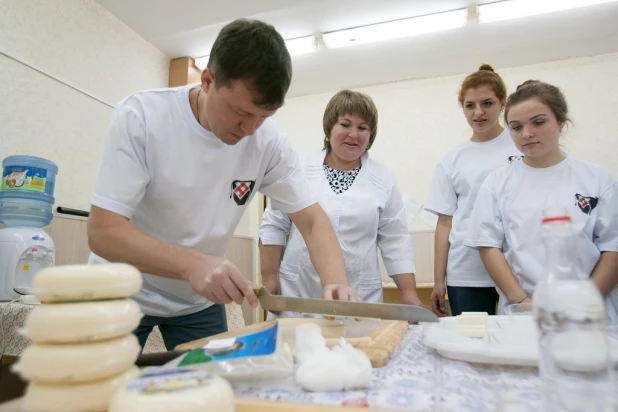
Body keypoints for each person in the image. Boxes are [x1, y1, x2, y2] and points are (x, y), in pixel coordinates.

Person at [86, 19, 361, 350]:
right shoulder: (142, 117)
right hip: (119, 287)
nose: (250, 129)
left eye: (264, 116)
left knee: (209, 391)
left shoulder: (268, 142)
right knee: (101, 395)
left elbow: (313, 220)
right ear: (207, 80)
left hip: (196, 302)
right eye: (240, 112)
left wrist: (336, 284)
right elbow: (104, 232)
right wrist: (193, 264)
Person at [465, 80, 618, 322]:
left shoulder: (597, 179)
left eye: (538, 122)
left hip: (592, 313)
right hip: (525, 313)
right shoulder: (496, 183)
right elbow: (488, 246)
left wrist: (584, 304)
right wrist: (523, 303)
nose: (527, 134)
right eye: (516, 127)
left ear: (561, 122)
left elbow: (613, 247)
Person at [259, 90, 421, 317]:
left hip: (359, 295)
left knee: (359, 350)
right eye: (345, 124)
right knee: (295, 349)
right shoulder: (299, 169)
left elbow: (395, 239)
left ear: (371, 134)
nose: (353, 134)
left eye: (363, 128)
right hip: (298, 292)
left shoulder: (383, 180)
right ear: (329, 128)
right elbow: (274, 224)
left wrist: (409, 291)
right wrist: (269, 277)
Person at [425, 64, 522, 317]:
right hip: (467, 272)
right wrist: (439, 281)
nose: (478, 112)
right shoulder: (452, 160)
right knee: (472, 347)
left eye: (487, 103)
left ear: (503, 103)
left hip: (520, 266)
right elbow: (444, 223)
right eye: (470, 106)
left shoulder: (524, 146)